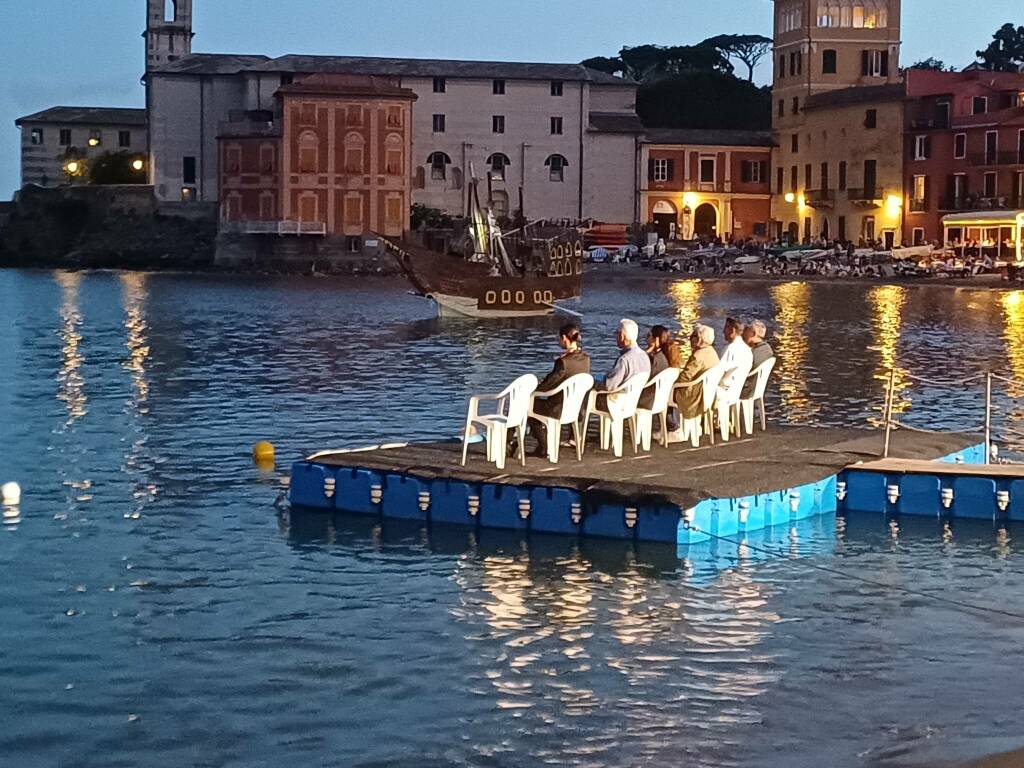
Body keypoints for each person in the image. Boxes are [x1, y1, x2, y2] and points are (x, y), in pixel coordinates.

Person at [525, 323, 591, 456]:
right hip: (576, 407)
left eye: (559, 339)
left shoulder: (563, 362)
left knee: (527, 406)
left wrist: (534, 389)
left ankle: (543, 447)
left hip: (558, 408)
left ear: (564, 338)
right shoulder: (586, 359)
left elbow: (550, 383)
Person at [670, 324, 720, 435]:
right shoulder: (712, 352)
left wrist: (672, 384)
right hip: (708, 393)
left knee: (667, 392)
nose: (690, 338)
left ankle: (674, 428)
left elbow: (686, 376)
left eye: (694, 336)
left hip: (695, 394)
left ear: (700, 339)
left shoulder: (698, 356)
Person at [594, 319, 651, 411]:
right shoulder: (644, 356)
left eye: (617, 333)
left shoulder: (624, 360)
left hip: (617, 404)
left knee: (587, 392)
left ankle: (577, 422)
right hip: (633, 401)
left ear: (622, 336)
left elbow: (609, 386)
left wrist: (593, 383)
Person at [740, 320, 774, 400]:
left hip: (746, 390)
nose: (742, 333)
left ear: (753, 333)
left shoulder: (752, 353)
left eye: (746, 330)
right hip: (758, 389)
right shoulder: (767, 349)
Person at [638, 325, 670, 410]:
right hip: (661, 399)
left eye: (649, 335)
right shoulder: (664, 356)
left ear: (655, 339)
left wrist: (646, 352)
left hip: (648, 399)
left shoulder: (654, 359)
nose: (646, 338)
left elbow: (639, 373)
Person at [718, 317, 753, 391]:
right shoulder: (748, 350)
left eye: (725, 328)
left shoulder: (730, 349)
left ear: (732, 331)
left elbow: (718, 373)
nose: (723, 331)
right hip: (736, 391)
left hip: (722, 392)